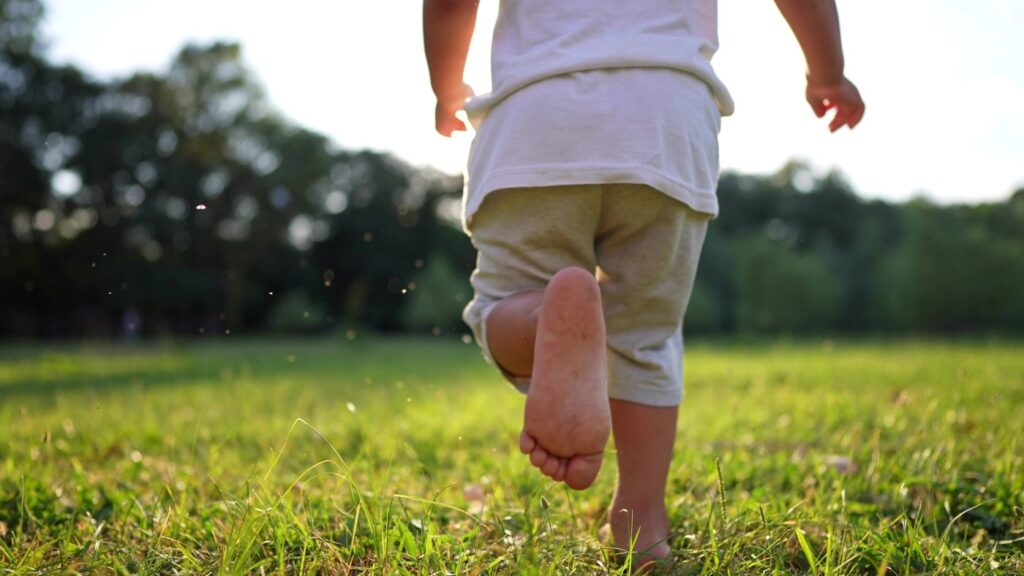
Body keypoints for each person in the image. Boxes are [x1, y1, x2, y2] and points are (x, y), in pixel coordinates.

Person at [423, 0, 864, 567]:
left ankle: (542, 321)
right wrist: (827, 72)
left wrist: (446, 83)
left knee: (505, 304)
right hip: (666, 117)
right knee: (646, 336)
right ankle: (641, 521)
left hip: (536, 116)